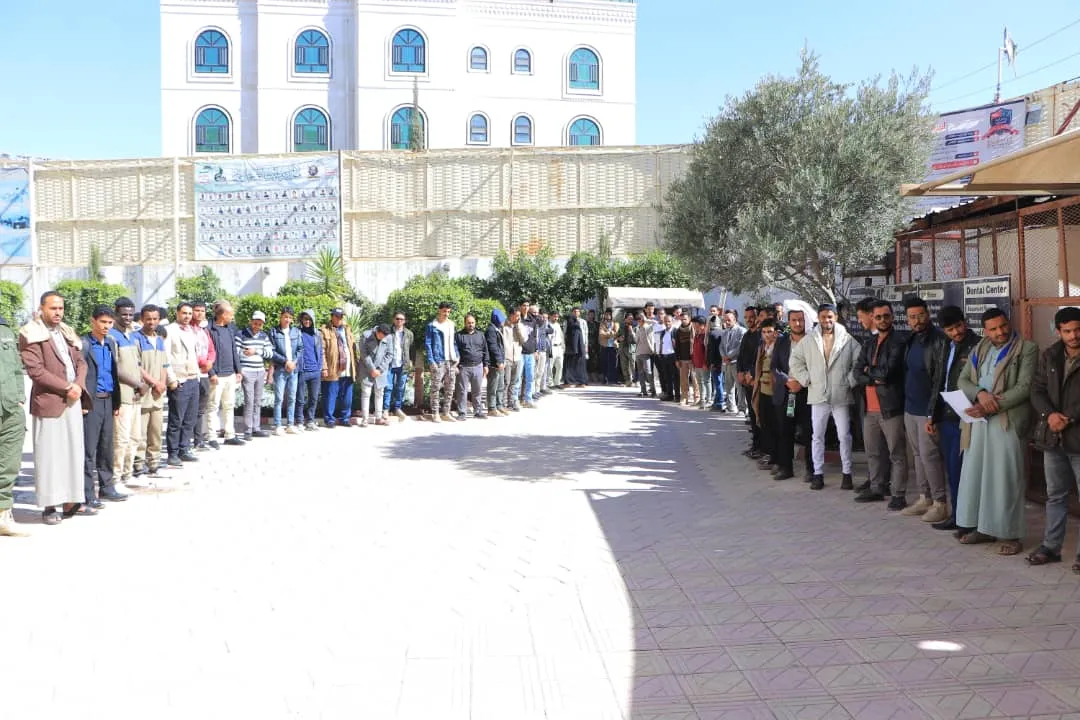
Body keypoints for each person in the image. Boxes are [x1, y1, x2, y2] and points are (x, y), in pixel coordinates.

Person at [955, 308, 1038, 556]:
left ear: (1008, 323)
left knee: (1004, 478)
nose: (1000, 332)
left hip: (1006, 420)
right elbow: (962, 380)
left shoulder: (1027, 348)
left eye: (1003, 326)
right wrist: (980, 393)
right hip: (978, 421)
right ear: (985, 331)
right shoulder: (980, 348)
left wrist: (990, 406)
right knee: (978, 475)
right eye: (993, 329)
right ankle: (983, 528)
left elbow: (1024, 387)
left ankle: (1011, 534)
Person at [20, 291, 90, 525]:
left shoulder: (67, 332)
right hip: (50, 401)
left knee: (73, 451)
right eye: (53, 308)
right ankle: (50, 505)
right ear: (42, 308)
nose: (58, 312)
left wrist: (78, 385)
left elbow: (80, 362)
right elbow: (36, 370)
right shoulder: (30, 333)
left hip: (73, 399)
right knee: (49, 455)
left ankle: (71, 500)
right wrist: (66, 387)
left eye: (61, 308)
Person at [1028, 306, 1080, 572]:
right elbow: (1036, 390)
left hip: (1077, 436)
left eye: (1077, 330)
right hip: (1053, 438)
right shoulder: (1050, 355)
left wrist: (1067, 417)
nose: (1074, 336)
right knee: (1056, 496)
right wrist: (1049, 415)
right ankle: (1051, 547)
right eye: (1067, 331)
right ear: (1058, 331)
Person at [789, 303, 860, 491]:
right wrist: (806, 379)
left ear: (835, 317)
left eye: (830, 316)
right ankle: (818, 473)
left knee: (844, 435)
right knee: (817, 436)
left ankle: (847, 473)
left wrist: (849, 381)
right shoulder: (809, 340)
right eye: (823, 317)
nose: (827, 320)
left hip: (841, 395)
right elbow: (795, 361)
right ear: (818, 318)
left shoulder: (847, 339)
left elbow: (859, 362)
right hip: (818, 394)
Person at [926, 305, 980, 531]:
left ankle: (968, 520)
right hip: (946, 415)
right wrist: (931, 414)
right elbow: (939, 380)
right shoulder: (945, 345)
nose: (956, 332)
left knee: (964, 470)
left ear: (964, 321)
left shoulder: (978, 345)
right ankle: (957, 516)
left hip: (967, 416)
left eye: (958, 326)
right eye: (950, 329)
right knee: (952, 469)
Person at [898, 296, 951, 522]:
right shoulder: (911, 339)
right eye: (912, 317)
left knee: (930, 456)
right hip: (910, 407)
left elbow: (939, 379)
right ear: (907, 319)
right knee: (918, 455)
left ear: (928, 314)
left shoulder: (939, 340)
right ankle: (925, 498)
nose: (917, 320)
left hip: (928, 410)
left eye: (920, 315)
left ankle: (940, 503)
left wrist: (932, 413)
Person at [852, 300, 909, 508]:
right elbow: (857, 372)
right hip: (869, 408)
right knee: (873, 452)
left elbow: (887, 374)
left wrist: (870, 372)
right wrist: (871, 376)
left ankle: (898, 494)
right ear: (873, 319)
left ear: (892, 317)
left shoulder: (899, 341)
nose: (882, 320)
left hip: (891, 407)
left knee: (896, 453)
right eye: (878, 317)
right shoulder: (869, 343)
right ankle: (877, 487)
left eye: (886, 316)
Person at [82, 306, 129, 506]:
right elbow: (80, 375)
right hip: (91, 402)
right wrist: (83, 401)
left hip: (108, 400)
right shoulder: (84, 344)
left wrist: (116, 402)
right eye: (102, 322)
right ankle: (87, 493)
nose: (106, 326)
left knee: (106, 446)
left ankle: (107, 487)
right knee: (88, 450)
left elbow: (112, 373)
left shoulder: (110, 343)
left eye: (110, 323)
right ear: (93, 321)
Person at [109, 297, 148, 488]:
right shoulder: (111, 336)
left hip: (135, 396)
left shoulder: (132, 335)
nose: (127, 318)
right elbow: (114, 368)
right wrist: (137, 383)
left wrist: (141, 385)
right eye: (123, 314)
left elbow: (137, 364)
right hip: (122, 396)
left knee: (134, 438)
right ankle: (115, 478)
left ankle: (127, 474)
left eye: (131, 314)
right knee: (121, 440)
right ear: (116, 314)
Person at [773, 307, 812, 481]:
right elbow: (774, 366)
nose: (797, 323)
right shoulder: (781, 342)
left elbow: (817, 366)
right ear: (788, 322)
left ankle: (812, 469)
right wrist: (787, 381)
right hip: (787, 391)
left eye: (800, 320)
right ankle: (785, 468)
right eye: (794, 320)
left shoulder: (812, 341)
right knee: (784, 430)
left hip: (807, 392)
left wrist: (801, 383)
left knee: (809, 432)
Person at [132, 305, 170, 480]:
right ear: (142, 319)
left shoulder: (159, 339)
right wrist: (154, 383)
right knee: (140, 432)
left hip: (158, 394)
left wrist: (162, 383)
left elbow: (164, 365)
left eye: (155, 319)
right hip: (144, 393)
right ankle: (138, 463)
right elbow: (137, 366)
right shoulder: (136, 339)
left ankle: (153, 462)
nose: (152, 322)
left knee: (156, 431)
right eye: (148, 319)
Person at [164, 302, 202, 466]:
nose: (187, 316)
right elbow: (165, 356)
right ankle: (172, 453)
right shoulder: (170, 330)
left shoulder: (192, 331)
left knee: (190, 418)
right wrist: (171, 379)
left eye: (189, 313)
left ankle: (184, 449)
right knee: (176, 419)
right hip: (180, 380)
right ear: (177, 313)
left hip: (193, 378)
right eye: (184, 313)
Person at [0, 308, 27, 536]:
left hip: (10, 408)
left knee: (8, 466)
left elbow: (17, 368)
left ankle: (3, 516)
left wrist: (19, 397)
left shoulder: (5, 330)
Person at [207, 300, 244, 446]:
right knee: (213, 406)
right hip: (217, 375)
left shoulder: (229, 329)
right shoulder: (209, 329)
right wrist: (211, 373)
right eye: (230, 314)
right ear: (223, 315)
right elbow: (207, 353)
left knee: (229, 405)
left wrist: (238, 370)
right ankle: (211, 437)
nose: (232, 317)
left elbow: (234, 350)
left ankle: (230, 435)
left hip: (230, 374)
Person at [237, 310, 273, 439]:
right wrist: (240, 368)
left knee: (257, 401)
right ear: (251, 321)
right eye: (255, 322)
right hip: (247, 371)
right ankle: (248, 430)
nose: (257, 326)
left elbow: (270, 353)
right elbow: (236, 352)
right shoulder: (241, 334)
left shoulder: (264, 336)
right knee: (249, 401)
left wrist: (256, 351)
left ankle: (256, 428)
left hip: (260, 371)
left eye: (260, 324)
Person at [320, 307, 359, 428]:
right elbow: (322, 351)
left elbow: (353, 349)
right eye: (336, 316)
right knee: (330, 395)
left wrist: (356, 366)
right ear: (332, 316)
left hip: (348, 368)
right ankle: (329, 420)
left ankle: (345, 418)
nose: (339, 318)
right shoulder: (324, 330)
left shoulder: (348, 329)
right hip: (333, 369)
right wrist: (324, 367)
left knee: (347, 396)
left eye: (341, 316)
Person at [268, 306, 303, 435]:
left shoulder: (296, 332)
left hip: (293, 369)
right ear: (281, 317)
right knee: (279, 398)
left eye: (290, 317)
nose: (287, 320)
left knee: (292, 397)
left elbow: (300, 349)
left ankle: (290, 425)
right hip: (280, 369)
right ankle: (278, 425)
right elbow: (271, 351)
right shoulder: (274, 332)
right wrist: (285, 361)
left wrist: (294, 362)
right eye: (285, 317)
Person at [752, 319, 780, 467]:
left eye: (769, 331)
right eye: (764, 332)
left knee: (776, 425)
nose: (767, 335)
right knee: (765, 422)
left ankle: (777, 457)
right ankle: (769, 454)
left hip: (776, 390)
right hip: (762, 389)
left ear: (775, 332)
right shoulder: (762, 347)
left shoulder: (780, 346)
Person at [425, 301, 459, 422]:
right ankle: (435, 413)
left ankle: (446, 412)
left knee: (450, 388)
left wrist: (457, 356)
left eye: (448, 311)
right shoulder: (432, 325)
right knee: (435, 388)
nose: (446, 314)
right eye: (444, 311)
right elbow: (428, 344)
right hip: (438, 360)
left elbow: (454, 342)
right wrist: (431, 361)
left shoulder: (451, 324)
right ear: (439, 310)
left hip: (451, 360)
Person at [190, 301, 217, 451]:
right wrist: (203, 362)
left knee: (201, 409)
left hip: (205, 374)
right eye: (197, 310)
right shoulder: (187, 330)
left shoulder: (203, 331)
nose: (199, 313)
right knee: (190, 409)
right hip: (192, 373)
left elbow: (211, 350)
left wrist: (210, 362)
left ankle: (198, 440)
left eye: (202, 311)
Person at [736, 307, 762, 456]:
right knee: (752, 414)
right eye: (746, 317)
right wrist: (740, 372)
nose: (748, 320)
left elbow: (758, 358)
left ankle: (762, 447)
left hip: (755, 380)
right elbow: (741, 356)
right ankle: (755, 445)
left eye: (751, 317)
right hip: (745, 380)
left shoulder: (760, 336)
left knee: (759, 415)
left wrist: (750, 373)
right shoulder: (746, 335)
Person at [454, 313, 490, 420]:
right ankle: (462, 413)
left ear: (475, 323)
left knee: (477, 390)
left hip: (478, 366)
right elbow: (455, 351)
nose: (471, 324)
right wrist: (455, 365)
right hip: (463, 367)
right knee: (462, 391)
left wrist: (486, 365)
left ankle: (478, 411)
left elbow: (485, 350)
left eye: (473, 322)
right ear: (465, 323)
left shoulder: (480, 335)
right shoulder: (458, 335)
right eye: (469, 323)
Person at [295, 309, 325, 430]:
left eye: (309, 319)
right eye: (305, 319)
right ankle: (299, 421)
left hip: (315, 371)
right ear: (301, 320)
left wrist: (320, 366)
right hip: (302, 370)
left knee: (313, 398)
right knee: (300, 398)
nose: (307, 321)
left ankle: (310, 421)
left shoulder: (317, 334)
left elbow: (321, 351)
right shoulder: (297, 333)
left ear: (313, 320)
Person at [359, 324, 393, 427]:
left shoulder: (389, 337)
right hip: (366, 369)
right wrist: (372, 369)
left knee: (380, 393)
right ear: (377, 331)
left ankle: (379, 418)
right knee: (366, 393)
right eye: (381, 336)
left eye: (385, 336)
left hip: (380, 371)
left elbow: (389, 354)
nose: (383, 338)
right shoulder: (366, 335)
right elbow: (364, 354)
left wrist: (380, 369)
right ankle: (365, 419)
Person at [383, 311, 413, 422]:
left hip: (403, 365)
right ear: (393, 320)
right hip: (389, 364)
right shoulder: (388, 332)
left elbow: (411, 349)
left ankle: (397, 408)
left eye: (401, 319)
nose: (399, 321)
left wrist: (411, 361)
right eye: (397, 318)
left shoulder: (409, 334)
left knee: (400, 388)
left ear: (404, 321)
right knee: (388, 387)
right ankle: (385, 409)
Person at [719, 310, 746, 414]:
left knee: (740, 387)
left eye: (729, 320)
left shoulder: (741, 331)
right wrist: (724, 356)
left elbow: (740, 346)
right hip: (727, 363)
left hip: (736, 362)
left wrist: (729, 356)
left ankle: (742, 408)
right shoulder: (725, 332)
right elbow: (721, 346)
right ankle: (731, 406)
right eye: (725, 320)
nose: (727, 322)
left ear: (735, 320)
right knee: (728, 386)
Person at [486, 309, 507, 417]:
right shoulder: (491, 330)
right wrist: (499, 360)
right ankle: (492, 408)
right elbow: (493, 346)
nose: (503, 321)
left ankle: (499, 405)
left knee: (500, 386)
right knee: (493, 387)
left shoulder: (497, 329)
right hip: (494, 364)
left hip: (500, 362)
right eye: (502, 319)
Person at [502, 309, 524, 409]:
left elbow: (523, 340)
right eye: (516, 315)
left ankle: (511, 401)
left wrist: (518, 327)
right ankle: (503, 403)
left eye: (519, 316)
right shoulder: (503, 326)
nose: (518, 318)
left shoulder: (519, 326)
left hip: (517, 357)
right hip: (507, 357)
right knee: (506, 382)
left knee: (514, 382)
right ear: (511, 315)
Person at [563, 308, 589, 387]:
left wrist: (586, 345)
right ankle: (569, 381)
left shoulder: (583, 322)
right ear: (572, 312)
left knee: (581, 363)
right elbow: (565, 333)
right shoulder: (568, 321)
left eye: (578, 311)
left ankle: (581, 381)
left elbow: (586, 334)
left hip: (581, 344)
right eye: (575, 311)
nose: (576, 313)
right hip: (571, 345)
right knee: (570, 363)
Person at [673, 312, 694, 403]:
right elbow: (677, 346)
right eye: (681, 319)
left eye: (685, 319)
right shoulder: (678, 331)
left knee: (695, 379)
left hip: (693, 359)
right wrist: (677, 359)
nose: (683, 321)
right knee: (683, 380)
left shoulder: (693, 329)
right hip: (683, 358)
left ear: (689, 319)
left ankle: (697, 397)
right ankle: (685, 397)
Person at [634, 311, 656, 398]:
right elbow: (636, 340)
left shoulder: (648, 327)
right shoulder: (638, 328)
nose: (639, 321)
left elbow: (655, 323)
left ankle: (653, 391)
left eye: (640, 319)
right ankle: (643, 391)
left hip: (646, 353)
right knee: (640, 373)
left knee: (648, 372)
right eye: (638, 319)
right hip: (638, 353)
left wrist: (646, 320)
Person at [691, 316, 711, 409]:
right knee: (699, 382)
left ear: (702, 325)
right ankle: (702, 399)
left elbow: (707, 351)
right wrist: (693, 362)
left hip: (703, 364)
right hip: (697, 363)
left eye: (696, 324)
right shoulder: (696, 335)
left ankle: (708, 400)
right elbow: (694, 350)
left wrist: (706, 363)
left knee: (706, 381)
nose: (694, 326)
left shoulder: (706, 336)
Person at [656, 314, 677, 401]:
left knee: (675, 377)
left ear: (672, 322)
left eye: (669, 321)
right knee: (667, 377)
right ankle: (669, 395)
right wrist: (660, 353)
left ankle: (677, 396)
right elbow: (661, 343)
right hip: (664, 357)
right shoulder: (663, 332)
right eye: (666, 321)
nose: (667, 323)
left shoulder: (675, 331)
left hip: (673, 356)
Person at [598, 311, 619, 385]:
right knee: (605, 363)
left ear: (611, 315)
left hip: (613, 346)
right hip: (605, 345)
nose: (607, 316)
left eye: (609, 315)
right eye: (606, 315)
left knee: (614, 363)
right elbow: (601, 334)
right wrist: (610, 333)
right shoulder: (602, 323)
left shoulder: (616, 323)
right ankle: (605, 379)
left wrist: (607, 333)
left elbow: (616, 333)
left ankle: (614, 379)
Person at [549, 311, 565, 389]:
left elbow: (561, 336)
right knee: (550, 366)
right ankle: (550, 383)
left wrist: (563, 346)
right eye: (554, 316)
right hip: (552, 347)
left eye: (557, 317)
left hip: (559, 347)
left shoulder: (558, 325)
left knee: (560, 365)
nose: (556, 318)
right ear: (550, 316)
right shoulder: (548, 325)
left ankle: (557, 382)